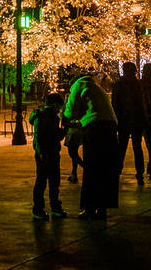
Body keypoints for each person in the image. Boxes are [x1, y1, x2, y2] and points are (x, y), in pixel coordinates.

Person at [64, 74, 119, 220]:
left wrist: (66, 121)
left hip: (95, 128)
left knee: (92, 167)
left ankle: (88, 207)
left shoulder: (78, 86)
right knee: (105, 168)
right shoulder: (96, 87)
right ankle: (102, 208)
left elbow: (70, 111)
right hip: (111, 126)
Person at [29, 93, 67, 220]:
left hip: (43, 152)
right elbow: (51, 135)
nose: (60, 110)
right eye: (60, 107)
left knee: (42, 181)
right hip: (49, 152)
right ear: (55, 105)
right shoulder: (51, 117)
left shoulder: (41, 115)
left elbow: (40, 135)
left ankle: (40, 208)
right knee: (52, 181)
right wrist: (64, 131)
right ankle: (49, 207)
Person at [112, 62, 147, 184]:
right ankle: (140, 173)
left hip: (123, 120)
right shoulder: (138, 84)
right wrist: (144, 119)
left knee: (121, 147)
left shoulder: (119, 84)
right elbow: (142, 103)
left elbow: (115, 103)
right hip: (136, 120)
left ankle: (117, 171)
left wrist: (115, 120)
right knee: (137, 147)